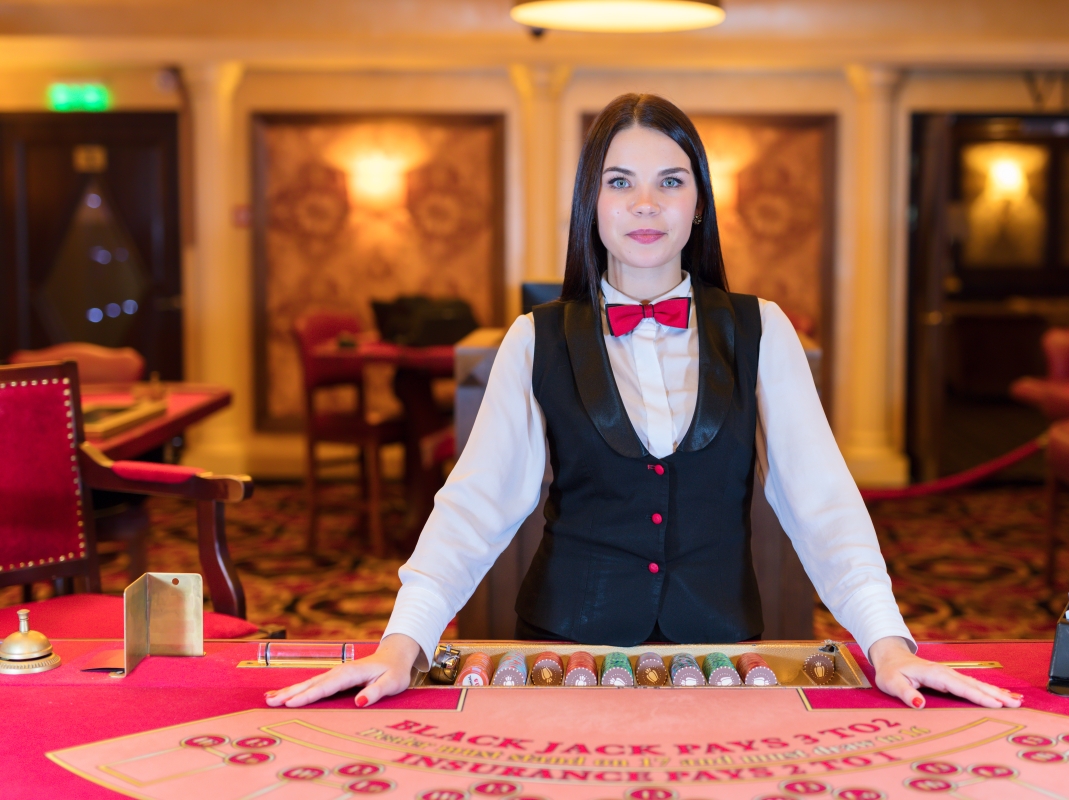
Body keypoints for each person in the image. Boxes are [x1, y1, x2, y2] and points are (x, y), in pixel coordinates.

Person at [268, 93, 1021, 712]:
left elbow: (822, 500)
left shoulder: (764, 329)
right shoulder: (535, 339)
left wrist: (887, 644)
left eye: (671, 180)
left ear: (699, 203)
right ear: (591, 203)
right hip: (567, 654)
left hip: (724, 655)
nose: (645, 204)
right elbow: (475, 505)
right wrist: (403, 644)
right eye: (620, 181)